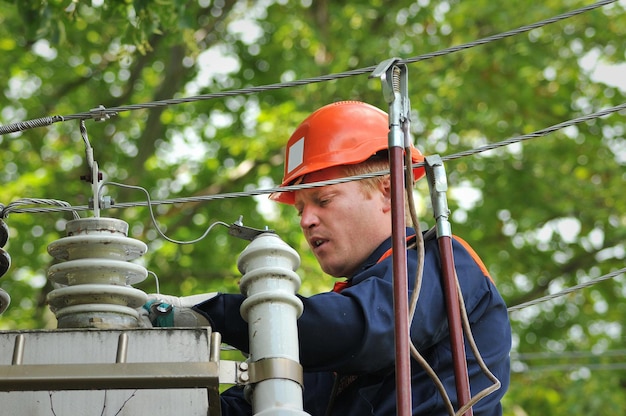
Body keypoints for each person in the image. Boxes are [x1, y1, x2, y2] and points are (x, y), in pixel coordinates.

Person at [146, 101, 511, 415]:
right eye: (300, 209)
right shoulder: (326, 340)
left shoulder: (445, 265)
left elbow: (363, 329)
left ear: (388, 191)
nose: (306, 220)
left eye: (323, 200)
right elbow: (253, 404)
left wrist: (210, 314)